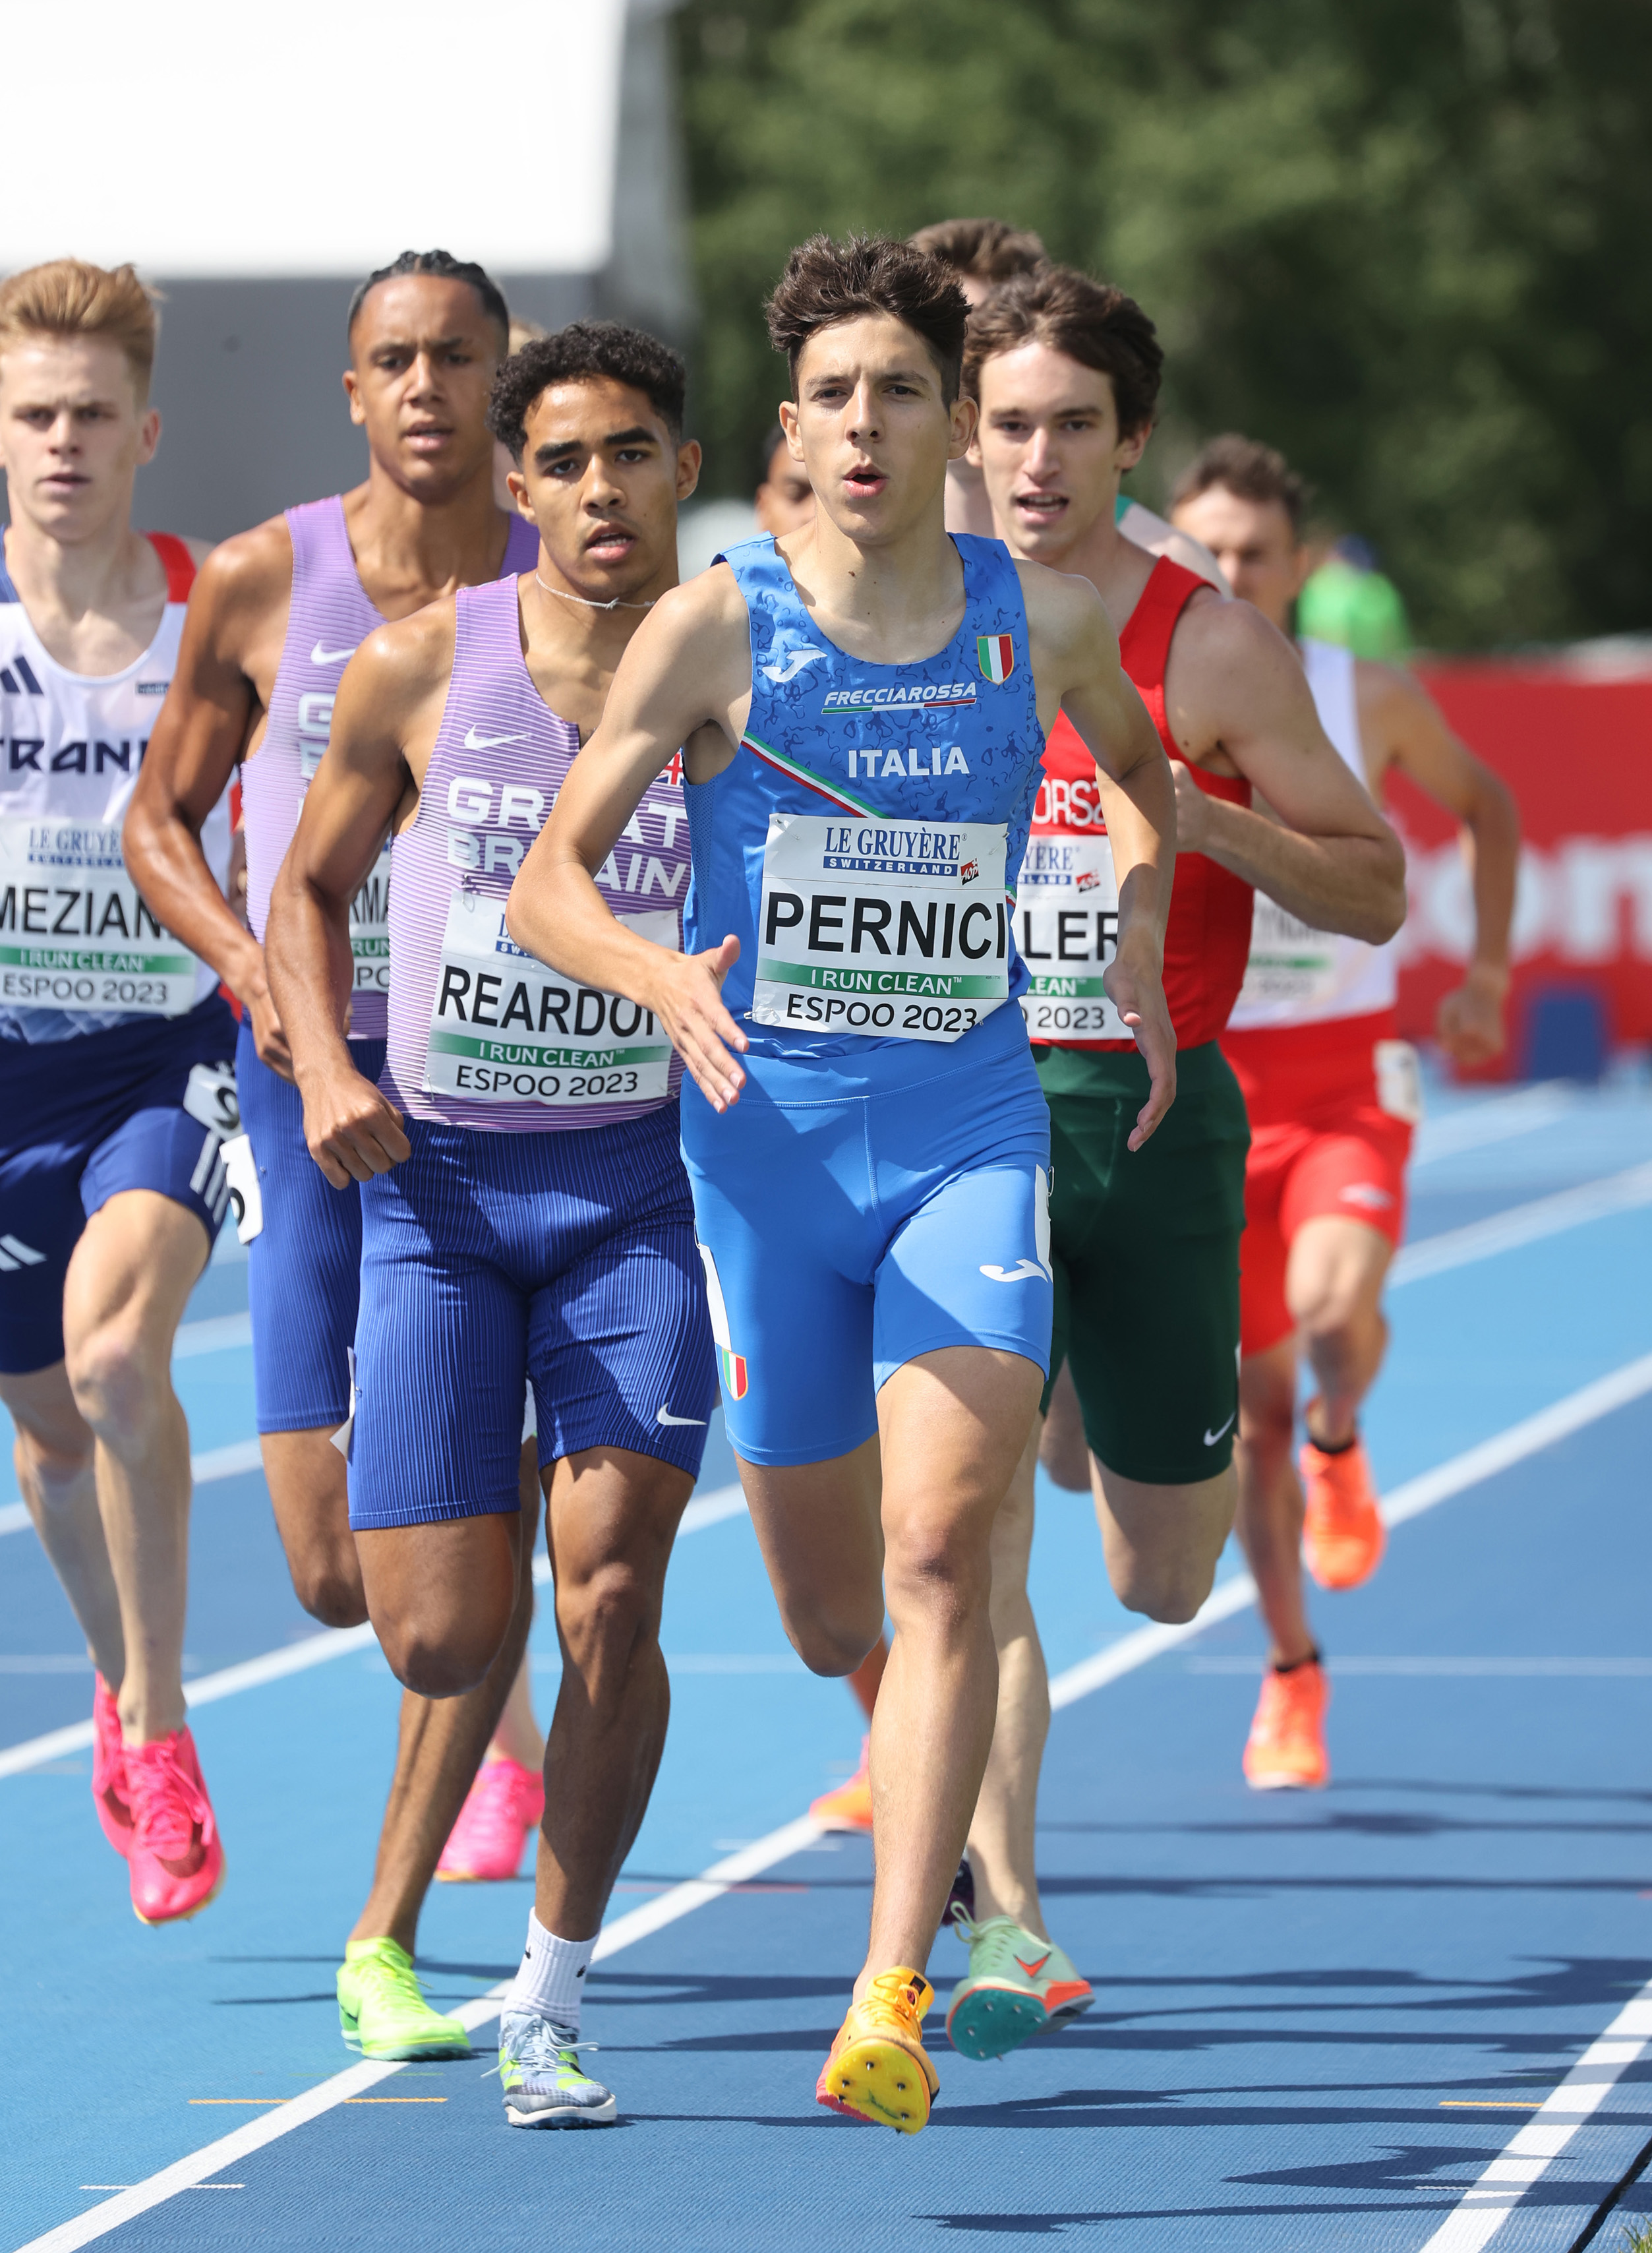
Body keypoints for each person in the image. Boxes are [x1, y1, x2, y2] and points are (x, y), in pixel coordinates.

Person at [506, 233, 1179, 2134]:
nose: (864, 426)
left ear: (948, 418)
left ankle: (892, 1989)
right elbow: (552, 882)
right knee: (828, 1613)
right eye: (830, 396)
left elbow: (1145, 782)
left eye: (897, 392)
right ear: (791, 430)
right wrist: (656, 977)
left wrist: (1133, 938)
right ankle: (912, 1790)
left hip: (968, 1139)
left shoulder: (1039, 618)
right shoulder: (715, 626)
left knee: (944, 1549)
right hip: (768, 1165)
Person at [944, 266, 1407, 2060]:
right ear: (966, 433)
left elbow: (1374, 887)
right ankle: (1009, 1924)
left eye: (1074, 425)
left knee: (1159, 1576)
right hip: (963, 1126)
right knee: (966, 1537)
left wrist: (1204, 815)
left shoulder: (1204, 644)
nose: (1036, 459)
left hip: (1149, 1128)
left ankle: (1082, 1391)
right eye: (1007, 424)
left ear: (1130, 440)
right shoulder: (900, 626)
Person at [266, 318, 717, 2130]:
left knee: (610, 1587)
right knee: (441, 1641)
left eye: (633, 454)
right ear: (518, 484)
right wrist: (323, 1068)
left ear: (685, 469)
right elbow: (306, 891)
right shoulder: (420, 665)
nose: (601, 490)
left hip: (635, 1195)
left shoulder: (738, 674)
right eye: (567, 462)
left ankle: (552, 1990)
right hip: (439, 1198)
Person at [124, 251, 544, 2051]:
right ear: (352, 390)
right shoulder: (259, 579)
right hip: (308, 1096)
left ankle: (406, 1894)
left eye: (458, 354)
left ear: (502, 378)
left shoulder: (568, 574)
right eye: (396, 359)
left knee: (468, 1542)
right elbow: (160, 820)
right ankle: (492, 1685)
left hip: (506, 1097)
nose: (428, 384)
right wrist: (254, 972)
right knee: (328, 1572)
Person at [1169, 434, 1517, 1787]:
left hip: (1341, 1080)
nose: (1232, 572)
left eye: (1256, 552)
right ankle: (1289, 1671)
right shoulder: (1147, 686)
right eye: (1209, 549)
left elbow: (1486, 805)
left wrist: (1484, 974)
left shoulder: (1357, 693)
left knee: (1328, 1315)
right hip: (1215, 1086)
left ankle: (1341, 1432)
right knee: (1248, 1420)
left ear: (1300, 565)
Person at [0, 258, 229, 1925]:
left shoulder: (217, 618)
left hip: (164, 1052)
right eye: (34, 414)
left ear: (145, 432)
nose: (63, 440)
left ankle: (160, 1725)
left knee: (113, 1358)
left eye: (91, 413)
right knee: (48, 1427)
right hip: (9, 1071)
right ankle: (115, 1677)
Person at [910, 216, 1225, 593]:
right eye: (941, 335)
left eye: (989, 331)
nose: (960, 357)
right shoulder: (879, 540)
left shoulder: (1169, 560)